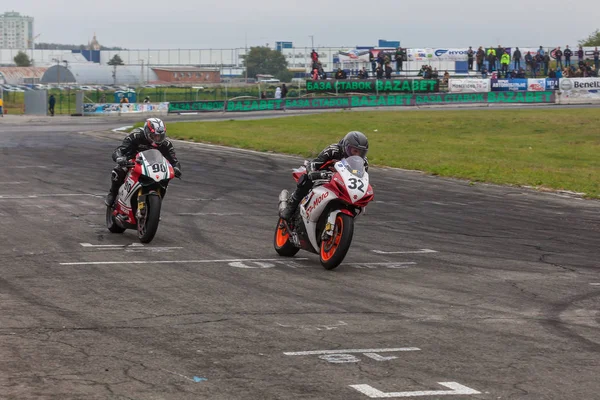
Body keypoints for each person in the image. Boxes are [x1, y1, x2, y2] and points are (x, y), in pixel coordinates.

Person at [279, 131, 369, 221]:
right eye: (355, 151)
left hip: (342, 182)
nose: (357, 155)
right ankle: (290, 207)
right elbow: (313, 164)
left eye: (360, 152)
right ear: (346, 146)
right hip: (322, 176)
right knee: (306, 179)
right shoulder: (334, 150)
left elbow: (362, 177)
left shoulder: (363, 162)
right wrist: (313, 173)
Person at [105, 118, 181, 207]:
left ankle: (155, 204)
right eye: (154, 136)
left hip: (153, 165)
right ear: (147, 132)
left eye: (160, 136)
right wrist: (120, 157)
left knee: (166, 178)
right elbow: (120, 150)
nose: (157, 139)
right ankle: (113, 193)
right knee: (119, 170)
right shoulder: (136, 136)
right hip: (133, 161)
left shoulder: (166, 144)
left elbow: (174, 160)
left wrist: (176, 168)